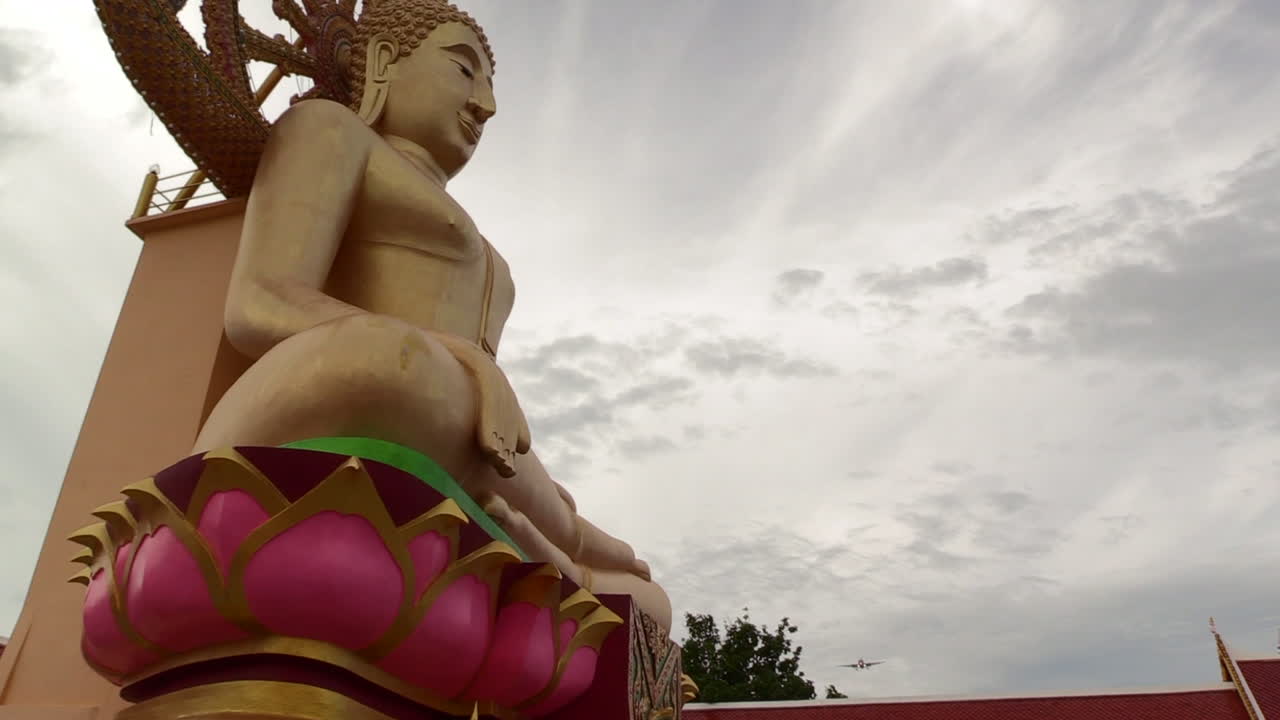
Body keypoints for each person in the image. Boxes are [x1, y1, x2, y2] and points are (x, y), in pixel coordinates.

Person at [193, 0, 671, 629]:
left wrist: (553, 504)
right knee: (395, 366)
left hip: (465, 437)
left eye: (491, 86)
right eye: (463, 70)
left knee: (651, 607)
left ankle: (554, 554)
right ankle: (543, 543)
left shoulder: (473, 237)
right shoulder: (329, 131)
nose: (485, 106)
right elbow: (260, 303)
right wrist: (461, 358)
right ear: (385, 61)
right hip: (375, 382)